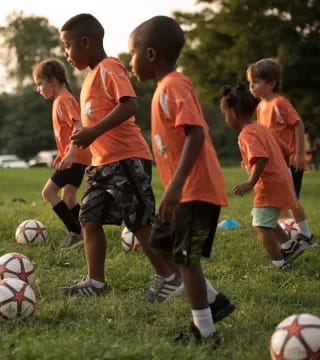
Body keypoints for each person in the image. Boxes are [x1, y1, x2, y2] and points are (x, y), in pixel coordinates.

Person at [128, 16, 235, 341]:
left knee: (186, 259)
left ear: (150, 55)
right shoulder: (163, 89)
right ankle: (214, 301)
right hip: (183, 193)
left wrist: (173, 188)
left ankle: (204, 329)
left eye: (131, 53)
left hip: (197, 191)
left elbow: (196, 135)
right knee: (160, 246)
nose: (129, 60)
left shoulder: (175, 85)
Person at [59, 13, 169, 296]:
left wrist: (93, 132)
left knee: (140, 221)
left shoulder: (110, 67)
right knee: (89, 216)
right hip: (101, 163)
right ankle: (95, 282)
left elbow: (130, 105)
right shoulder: (89, 78)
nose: (65, 53)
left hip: (126, 158)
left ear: (85, 42)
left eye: (67, 45)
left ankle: (169, 277)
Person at [220, 83, 305, 268]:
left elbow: (260, 158)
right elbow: (285, 149)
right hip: (281, 179)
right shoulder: (263, 128)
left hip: (268, 184)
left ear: (234, 113)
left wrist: (250, 182)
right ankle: (289, 246)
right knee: (269, 220)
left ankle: (277, 262)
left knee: (261, 225)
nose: (225, 119)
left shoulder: (246, 134)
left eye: (225, 114)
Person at [246, 58, 316, 248]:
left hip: (290, 160)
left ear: (271, 83)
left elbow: (298, 124)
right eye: (250, 81)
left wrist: (300, 153)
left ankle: (306, 236)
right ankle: (287, 233)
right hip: (275, 163)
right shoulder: (260, 107)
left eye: (256, 81)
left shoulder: (280, 103)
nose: (251, 85)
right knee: (279, 199)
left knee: (292, 198)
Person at [32, 58, 91, 247]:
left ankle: (76, 233)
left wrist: (71, 154)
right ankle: (87, 232)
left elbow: (78, 126)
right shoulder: (60, 100)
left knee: (48, 193)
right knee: (68, 198)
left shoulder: (64, 99)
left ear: (53, 81)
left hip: (77, 157)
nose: (38, 89)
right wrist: (63, 152)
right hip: (78, 156)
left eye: (40, 84)